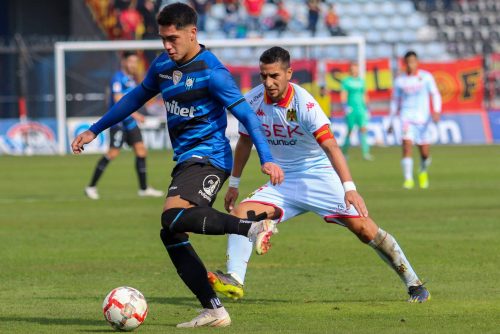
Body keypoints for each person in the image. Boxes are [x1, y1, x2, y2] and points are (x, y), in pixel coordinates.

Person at [72, 3, 284, 328]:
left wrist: (267, 158)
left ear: (192, 33)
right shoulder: (162, 66)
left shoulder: (212, 71)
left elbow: (248, 117)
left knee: (171, 216)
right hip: (187, 160)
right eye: (163, 39)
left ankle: (253, 227)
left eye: (173, 39)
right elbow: (134, 98)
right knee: (171, 232)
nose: (167, 46)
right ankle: (214, 309)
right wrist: (94, 129)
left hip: (211, 157)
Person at [206, 46, 430, 304]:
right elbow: (244, 142)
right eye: (263, 76)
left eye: (274, 76)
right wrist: (234, 184)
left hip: (319, 176)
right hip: (283, 180)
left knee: (365, 230)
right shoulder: (253, 101)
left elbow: (330, 145)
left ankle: (414, 283)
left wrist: (349, 187)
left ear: (289, 73)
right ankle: (234, 279)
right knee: (240, 214)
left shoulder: (305, 104)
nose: (268, 82)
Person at [85, 51, 164, 200]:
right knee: (112, 153)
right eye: (131, 62)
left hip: (130, 123)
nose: (133, 65)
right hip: (119, 123)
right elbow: (118, 101)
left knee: (141, 151)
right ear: (124, 62)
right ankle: (91, 187)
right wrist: (138, 115)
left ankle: (144, 188)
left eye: (135, 62)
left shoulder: (132, 79)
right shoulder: (118, 78)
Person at [388, 51, 442, 189]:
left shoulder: (426, 77)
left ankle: (423, 170)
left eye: (413, 61)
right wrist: (391, 119)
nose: (411, 65)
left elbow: (435, 94)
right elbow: (395, 101)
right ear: (405, 63)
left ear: (417, 62)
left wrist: (436, 110)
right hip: (406, 118)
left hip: (423, 119)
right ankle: (408, 179)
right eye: (408, 62)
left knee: (424, 153)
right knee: (406, 146)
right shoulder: (400, 81)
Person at [341, 62, 373, 161]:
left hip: (361, 109)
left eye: (356, 68)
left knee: (363, 129)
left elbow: (365, 94)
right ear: (350, 70)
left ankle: (366, 153)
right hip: (351, 109)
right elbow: (343, 94)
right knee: (350, 130)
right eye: (353, 69)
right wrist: (345, 106)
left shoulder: (361, 81)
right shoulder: (346, 81)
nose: (355, 71)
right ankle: (344, 152)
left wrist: (368, 108)